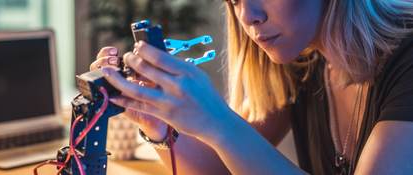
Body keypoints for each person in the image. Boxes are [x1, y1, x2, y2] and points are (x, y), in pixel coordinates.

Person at [89, 0, 413, 174]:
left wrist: (217, 121)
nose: (248, 15)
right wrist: (157, 124)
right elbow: (223, 169)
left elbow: (230, 142)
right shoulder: (304, 59)